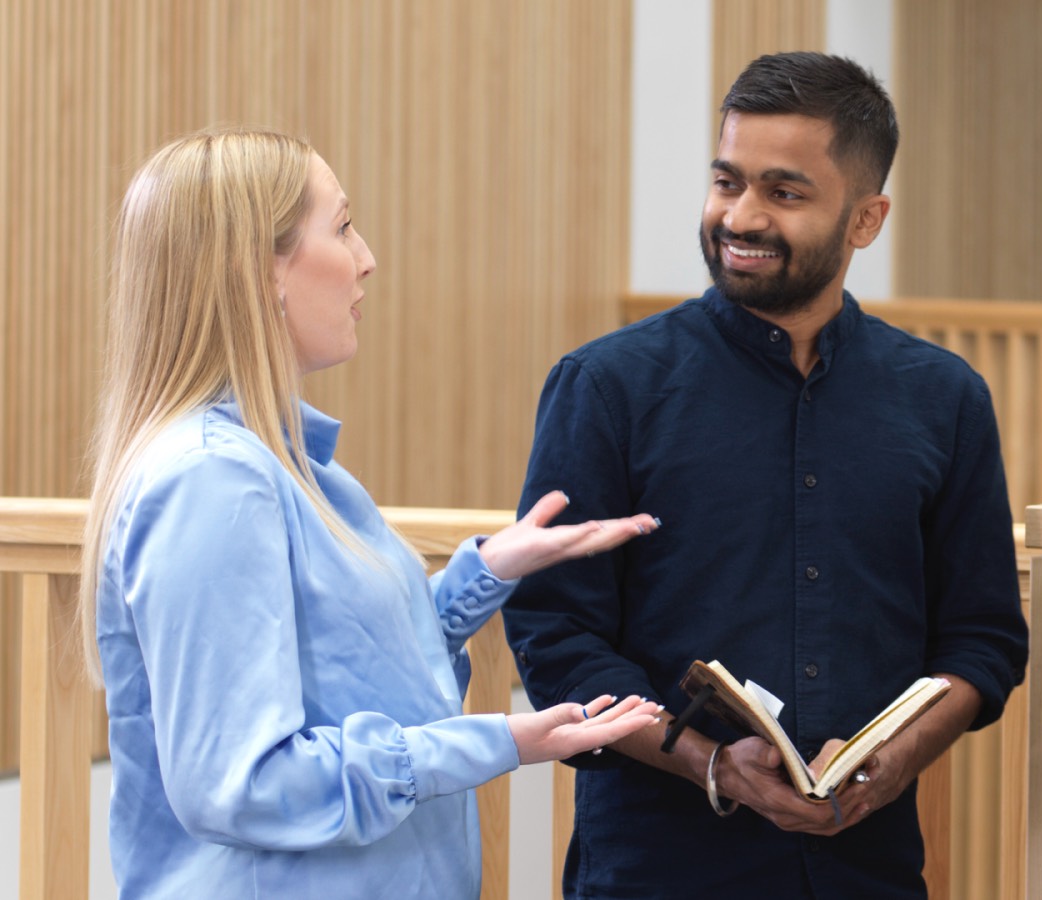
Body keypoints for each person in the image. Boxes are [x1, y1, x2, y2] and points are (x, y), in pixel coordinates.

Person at [78, 128, 664, 899]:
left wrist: (483, 574)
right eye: (344, 226)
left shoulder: (289, 466)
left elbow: (340, 663)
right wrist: (495, 742)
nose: (367, 258)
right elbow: (241, 781)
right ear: (260, 272)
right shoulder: (213, 482)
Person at [503, 51, 1029, 899]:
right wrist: (711, 763)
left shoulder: (945, 399)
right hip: (653, 870)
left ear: (866, 219)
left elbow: (984, 638)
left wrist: (895, 764)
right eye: (726, 181)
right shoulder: (608, 386)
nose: (739, 217)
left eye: (784, 193)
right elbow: (556, 634)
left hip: (870, 872)